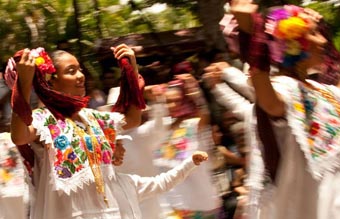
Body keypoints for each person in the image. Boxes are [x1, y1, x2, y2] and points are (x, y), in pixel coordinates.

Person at [229, 1, 340, 219]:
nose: (323, 41)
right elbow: (267, 100)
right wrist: (250, 33)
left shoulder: (323, 90)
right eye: (315, 34)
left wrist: (321, 25)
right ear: (297, 42)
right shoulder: (285, 87)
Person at [8, 44, 144, 219]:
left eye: (80, 70)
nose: (81, 76)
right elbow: (19, 136)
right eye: (71, 71)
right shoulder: (43, 119)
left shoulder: (91, 117)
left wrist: (131, 69)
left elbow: (132, 119)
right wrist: (24, 83)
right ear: (51, 80)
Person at [154, 74, 222, 218]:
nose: (172, 105)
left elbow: (205, 113)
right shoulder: (161, 130)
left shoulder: (194, 126)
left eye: (176, 101)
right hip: (171, 208)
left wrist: (195, 92)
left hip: (202, 207)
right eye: (168, 101)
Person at [109, 135, 209, 218]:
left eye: (122, 144)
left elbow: (163, 182)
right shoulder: (95, 187)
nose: (123, 150)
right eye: (117, 145)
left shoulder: (128, 182)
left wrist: (190, 163)